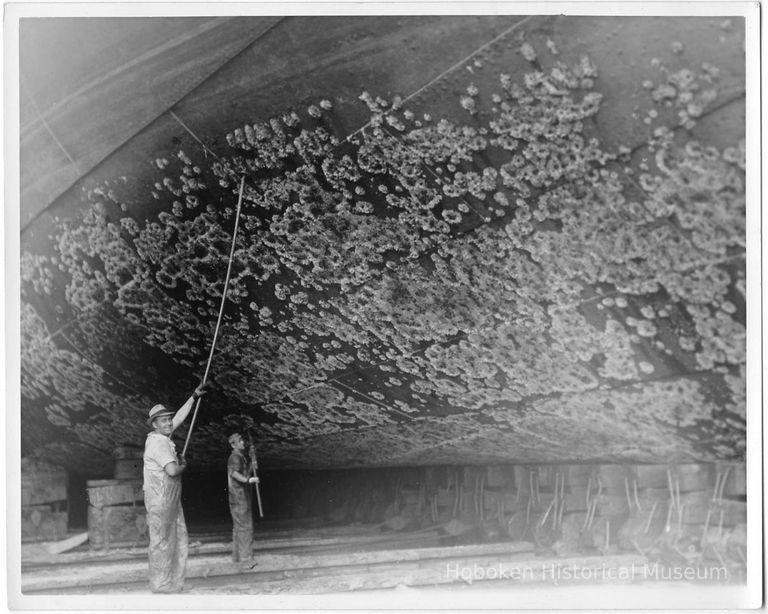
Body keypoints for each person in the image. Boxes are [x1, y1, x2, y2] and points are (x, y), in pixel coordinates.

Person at [142, 384, 207, 593]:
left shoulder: (160, 436)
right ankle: (161, 585)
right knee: (163, 542)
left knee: (177, 539)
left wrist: (193, 396)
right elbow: (171, 471)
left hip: (169, 499)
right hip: (161, 500)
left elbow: (178, 418)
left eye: (168, 419)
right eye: (164, 420)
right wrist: (183, 465)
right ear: (155, 425)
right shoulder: (159, 444)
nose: (169, 422)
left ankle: (173, 582)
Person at [227, 432, 259, 563]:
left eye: (242, 441)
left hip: (241, 497)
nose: (243, 443)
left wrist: (253, 460)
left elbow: (246, 472)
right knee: (245, 527)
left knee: (239, 527)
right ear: (233, 444)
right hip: (239, 498)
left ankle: (237, 557)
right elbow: (234, 473)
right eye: (240, 441)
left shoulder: (240, 457)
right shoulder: (234, 457)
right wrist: (249, 480)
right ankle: (246, 557)